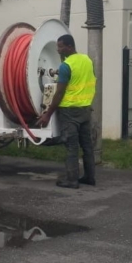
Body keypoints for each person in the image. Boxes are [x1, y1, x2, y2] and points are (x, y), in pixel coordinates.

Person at [35, 34, 96, 189]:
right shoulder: (87, 60)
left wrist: (47, 114)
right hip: (85, 109)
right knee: (87, 146)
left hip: (69, 111)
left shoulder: (66, 66)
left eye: (61, 46)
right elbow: (89, 81)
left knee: (71, 146)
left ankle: (72, 180)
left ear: (70, 46)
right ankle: (90, 177)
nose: (58, 50)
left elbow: (59, 93)